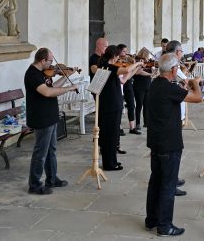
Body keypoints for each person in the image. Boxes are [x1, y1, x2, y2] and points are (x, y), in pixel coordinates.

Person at [144, 53, 202, 237]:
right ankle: (164, 225)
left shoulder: (156, 85)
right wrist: (195, 83)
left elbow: (174, 97)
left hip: (156, 141)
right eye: (177, 67)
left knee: (156, 182)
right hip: (169, 143)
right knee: (168, 185)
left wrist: (183, 86)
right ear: (173, 70)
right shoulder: (169, 88)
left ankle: (151, 219)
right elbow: (197, 98)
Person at [25, 47, 78, 195]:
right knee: (40, 152)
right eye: (50, 61)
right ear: (42, 60)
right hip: (41, 118)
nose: (52, 65)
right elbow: (47, 92)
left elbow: (52, 86)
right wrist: (68, 88)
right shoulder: (32, 74)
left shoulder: (43, 73)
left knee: (51, 150)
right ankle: (34, 185)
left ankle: (52, 179)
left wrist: (67, 76)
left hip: (50, 116)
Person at [91, 45, 143, 171]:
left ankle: (112, 161)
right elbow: (124, 71)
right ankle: (109, 164)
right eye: (118, 56)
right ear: (114, 56)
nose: (119, 59)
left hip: (112, 104)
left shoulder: (107, 67)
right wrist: (137, 63)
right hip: (110, 106)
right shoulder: (108, 67)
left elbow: (123, 80)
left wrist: (134, 70)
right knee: (109, 135)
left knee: (113, 135)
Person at [165, 40, 190, 196]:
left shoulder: (174, 67)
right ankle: (171, 183)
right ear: (175, 52)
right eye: (181, 51)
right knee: (173, 152)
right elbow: (186, 84)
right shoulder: (173, 68)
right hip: (173, 114)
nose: (182, 53)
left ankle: (173, 178)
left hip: (175, 111)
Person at [117, 44, 141, 135]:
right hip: (120, 85)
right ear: (119, 52)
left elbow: (131, 74)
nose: (126, 53)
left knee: (131, 105)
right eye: (124, 51)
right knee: (119, 107)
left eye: (126, 51)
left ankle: (132, 127)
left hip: (128, 84)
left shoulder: (128, 60)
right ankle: (119, 127)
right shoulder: (117, 61)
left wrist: (135, 65)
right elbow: (124, 72)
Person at [133, 48, 153, 130]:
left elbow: (151, 72)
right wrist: (149, 74)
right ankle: (137, 123)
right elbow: (138, 72)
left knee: (146, 105)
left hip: (148, 85)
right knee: (139, 105)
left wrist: (153, 71)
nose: (147, 57)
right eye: (146, 55)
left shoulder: (148, 62)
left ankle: (146, 122)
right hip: (139, 86)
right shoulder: (137, 61)